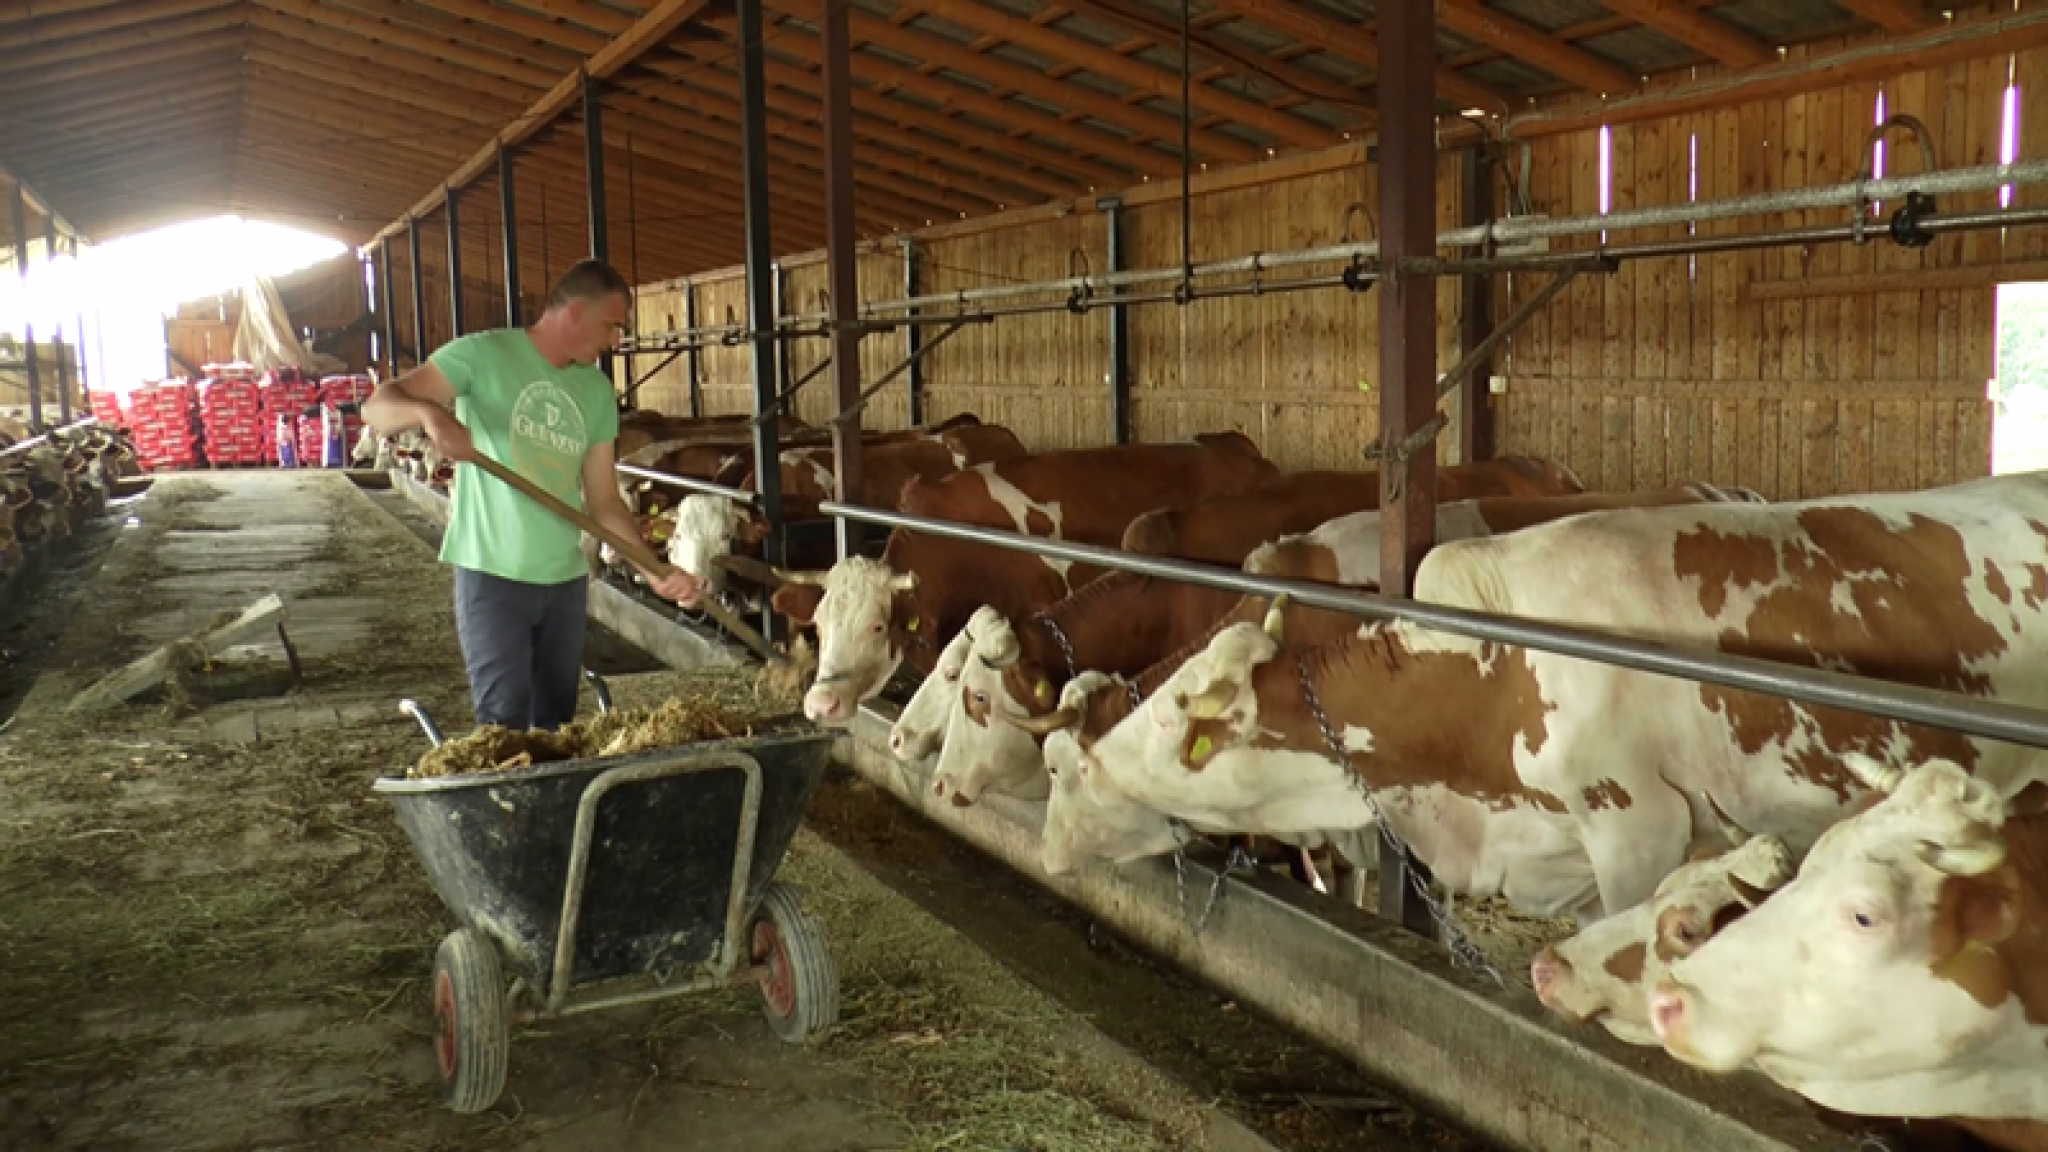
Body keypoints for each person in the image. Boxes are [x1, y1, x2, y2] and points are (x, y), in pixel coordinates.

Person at [363, 259, 694, 732]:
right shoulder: (482, 355)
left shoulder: (596, 390)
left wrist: (654, 570)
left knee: (555, 723)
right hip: (493, 574)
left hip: (564, 580)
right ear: (576, 313)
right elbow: (377, 407)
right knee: (502, 725)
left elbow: (604, 501)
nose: (617, 341)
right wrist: (431, 416)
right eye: (613, 326)